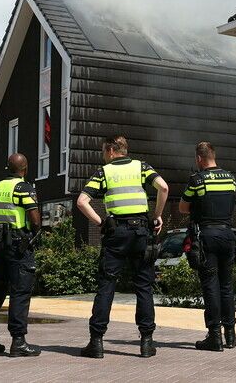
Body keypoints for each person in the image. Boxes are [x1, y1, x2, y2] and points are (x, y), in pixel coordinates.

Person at [77, 135, 168, 358]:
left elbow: (81, 201)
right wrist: (156, 217)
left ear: (110, 150)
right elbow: (163, 187)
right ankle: (147, 342)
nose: (102, 155)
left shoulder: (104, 172)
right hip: (141, 232)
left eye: (102, 151)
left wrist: (101, 222)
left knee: (107, 285)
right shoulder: (141, 167)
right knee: (144, 287)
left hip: (116, 233)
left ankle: (96, 342)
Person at [0, 153, 42, 357]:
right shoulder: (24, 188)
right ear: (24, 168)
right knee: (20, 292)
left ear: (8, 167)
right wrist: (35, 234)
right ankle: (18, 341)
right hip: (18, 244)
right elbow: (35, 220)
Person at [180, 142, 236, 351]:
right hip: (228, 234)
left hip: (207, 237)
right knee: (226, 285)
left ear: (199, 159)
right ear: (214, 155)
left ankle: (214, 336)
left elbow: (183, 207)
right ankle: (230, 335)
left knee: (210, 285)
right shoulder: (231, 178)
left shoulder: (197, 180)